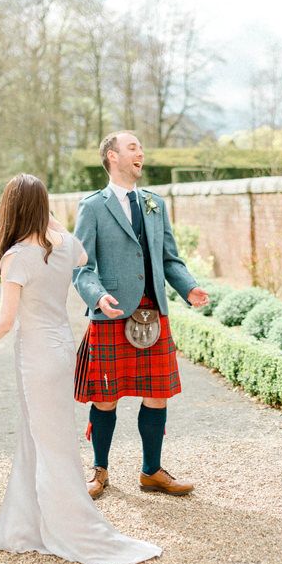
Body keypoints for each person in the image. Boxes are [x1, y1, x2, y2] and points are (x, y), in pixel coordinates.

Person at [0, 174, 160, 564]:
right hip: (61, 349)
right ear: (43, 208)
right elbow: (84, 258)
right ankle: (28, 519)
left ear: (10, 209)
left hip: (36, 354)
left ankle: (61, 524)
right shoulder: (65, 245)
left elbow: (5, 321)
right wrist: (51, 223)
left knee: (45, 439)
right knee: (45, 436)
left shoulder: (17, 256)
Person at [73, 131, 208, 500]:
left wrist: (188, 287)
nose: (141, 153)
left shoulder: (154, 203)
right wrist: (97, 297)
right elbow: (81, 268)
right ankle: (99, 471)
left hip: (153, 311)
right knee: (105, 396)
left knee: (157, 393)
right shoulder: (93, 206)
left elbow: (168, 258)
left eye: (141, 148)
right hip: (111, 312)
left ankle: (151, 471)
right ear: (112, 157)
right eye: (133, 147)